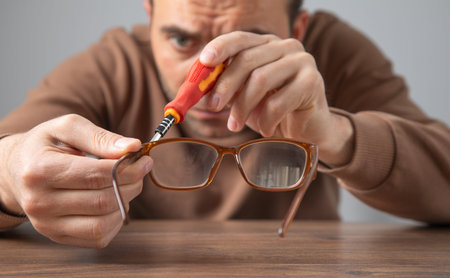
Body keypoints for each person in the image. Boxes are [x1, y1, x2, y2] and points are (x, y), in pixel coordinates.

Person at [0, 0, 449, 248]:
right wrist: (10, 176)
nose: (208, 86)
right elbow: (9, 148)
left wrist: (334, 134)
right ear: (149, 16)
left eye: (247, 45)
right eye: (180, 40)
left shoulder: (333, 54)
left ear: (300, 28)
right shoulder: (113, 64)